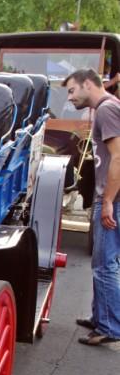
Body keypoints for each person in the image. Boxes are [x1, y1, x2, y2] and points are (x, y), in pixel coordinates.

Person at [64, 68, 120, 346]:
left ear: (88, 84)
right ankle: (101, 318)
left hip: (113, 200)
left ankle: (109, 326)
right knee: (102, 263)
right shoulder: (107, 108)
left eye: (73, 90)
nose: (71, 98)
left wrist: (108, 200)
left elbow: (118, 157)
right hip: (109, 198)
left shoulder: (107, 109)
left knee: (105, 265)